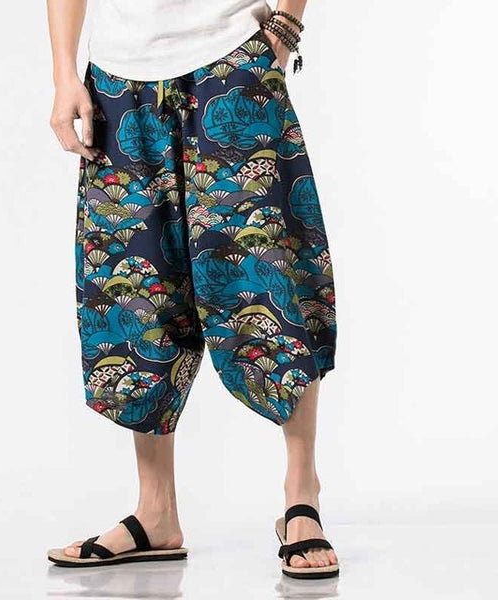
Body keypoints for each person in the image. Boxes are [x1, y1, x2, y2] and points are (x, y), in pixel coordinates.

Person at [46, 0, 339, 579]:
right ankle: (156, 512)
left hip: (230, 58)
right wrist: (63, 74)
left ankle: (301, 494)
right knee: (137, 297)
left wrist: (284, 28)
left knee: (271, 276)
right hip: (116, 81)